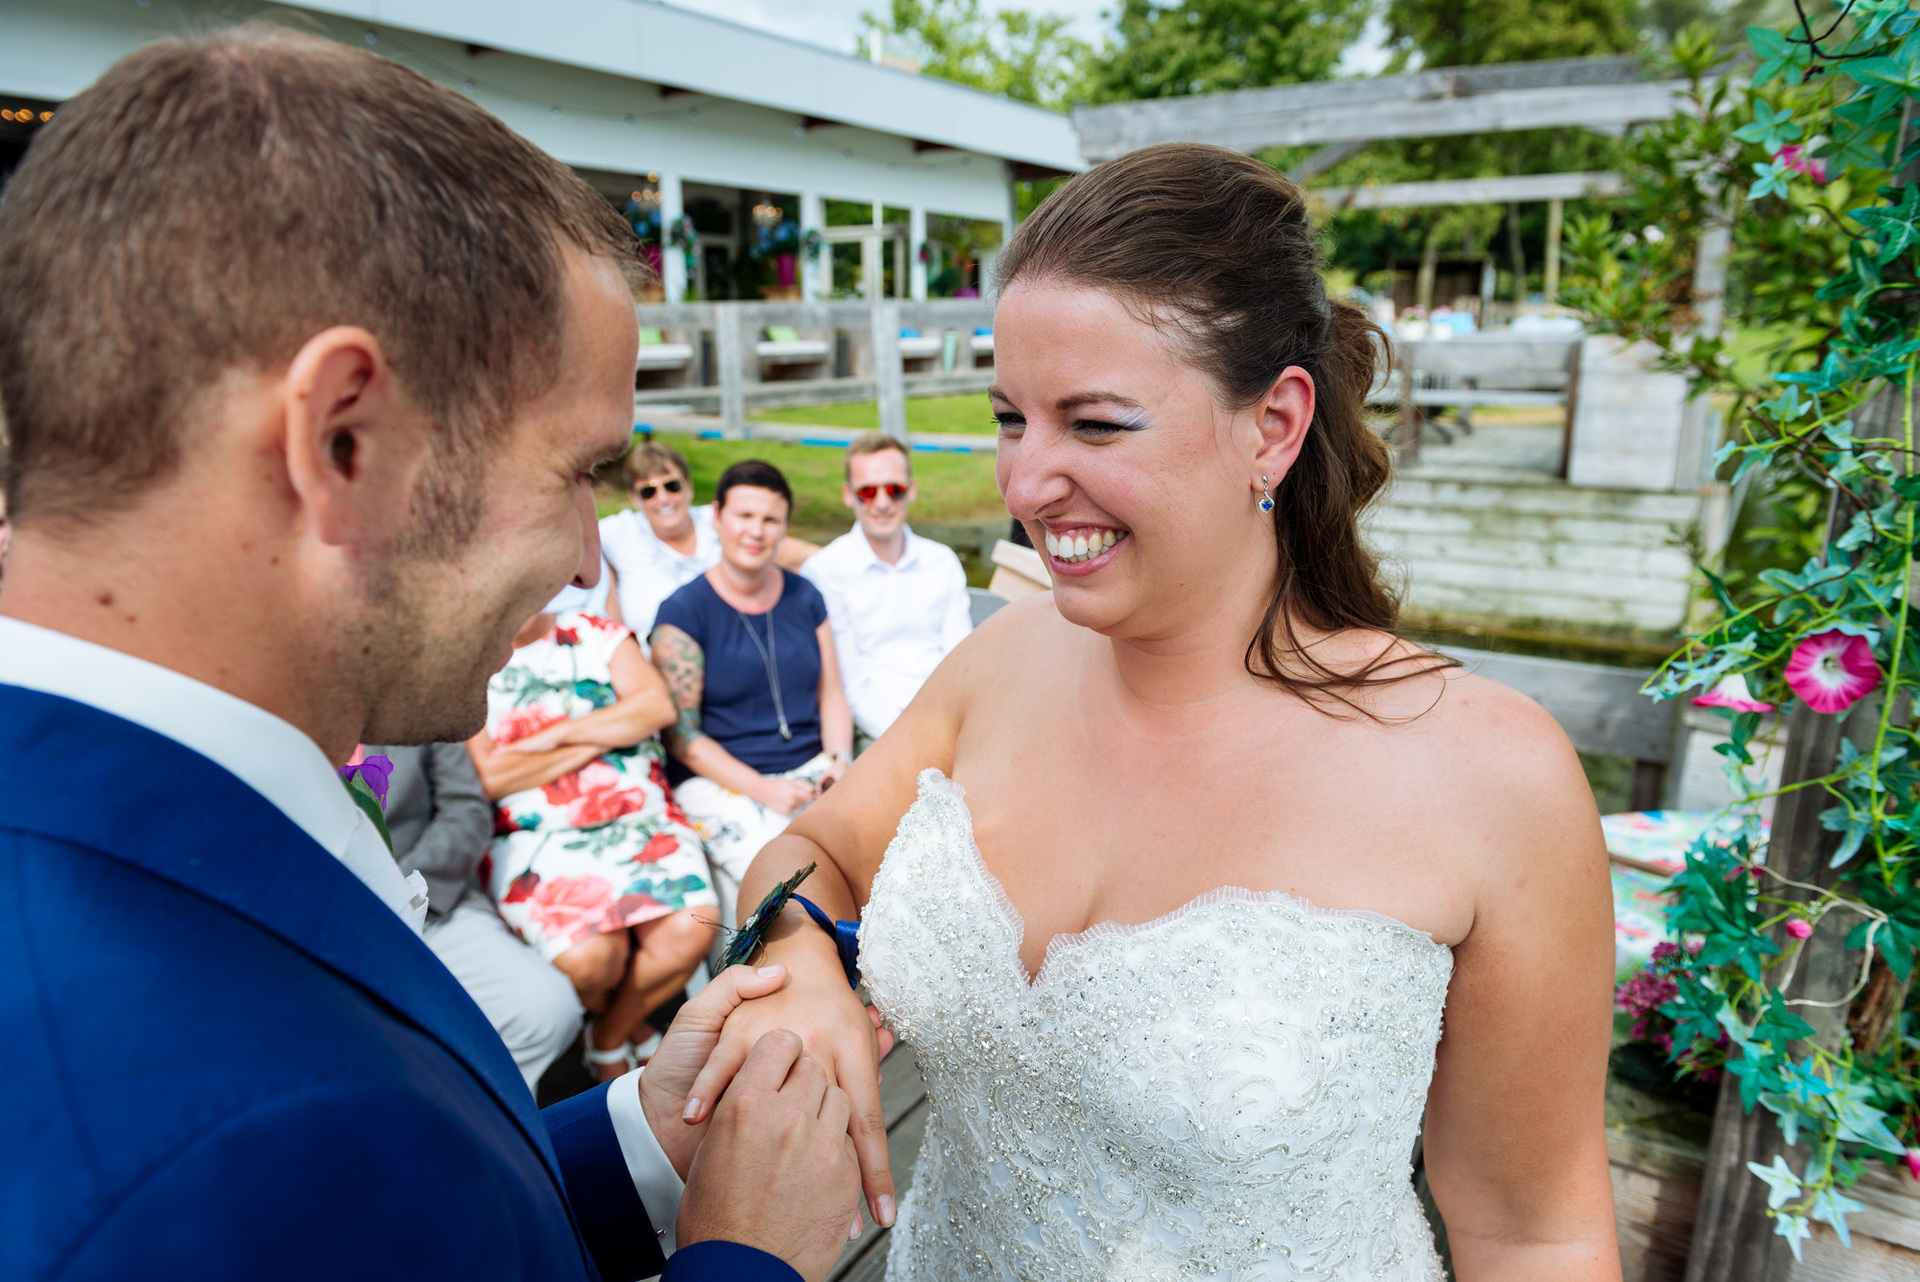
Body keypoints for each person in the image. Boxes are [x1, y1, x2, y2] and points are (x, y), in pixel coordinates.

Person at [0, 28, 863, 1282]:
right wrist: (749, 1256)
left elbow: (381, 1207)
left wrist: (644, 1142)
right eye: (579, 471)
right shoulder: (184, 1151)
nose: (586, 558)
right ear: (347, 440)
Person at [692, 144, 1622, 1277]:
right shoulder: (1001, 661)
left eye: (1094, 426)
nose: (1026, 484)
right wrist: (794, 954)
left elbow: (1536, 1231)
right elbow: (816, 847)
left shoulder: (1492, 776)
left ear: (1273, 426)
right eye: (1009, 418)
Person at [471, 602, 719, 1082]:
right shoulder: (471, 660)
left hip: (641, 820)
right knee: (589, 962)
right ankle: (634, 1026)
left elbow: (655, 708)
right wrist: (607, 733)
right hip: (536, 839)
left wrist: (548, 738)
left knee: (694, 925)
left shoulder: (595, 634)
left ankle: (608, 1034)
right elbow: (488, 776)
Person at [649, 460, 854, 932]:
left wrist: (838, 762)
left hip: (811, 770)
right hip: (724, 782)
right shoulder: (682, 613)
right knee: (790, 898)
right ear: (717, 517)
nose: (756, 531)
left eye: (770, 519)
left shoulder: (805, 596)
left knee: (868, 867)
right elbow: (683, 739)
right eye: (744, 516)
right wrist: (766, 791)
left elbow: (832, 695)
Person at [365, 741, 588, 1091]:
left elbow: (466, 812)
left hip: (430, 900)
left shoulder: (419, 697)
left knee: (545, 1010)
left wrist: (399, 883)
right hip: (322, 925)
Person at [800, 433, 972, 746]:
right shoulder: (825, 572)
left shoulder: (942, 561)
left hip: (948, 717)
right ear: (848, 495)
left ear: (912, 489)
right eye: (867, 491)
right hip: (872, 729)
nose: (882, 503)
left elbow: (960, 660)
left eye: (894, 490)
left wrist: (954, 726)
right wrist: (911, 740)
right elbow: (850, 686)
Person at [601, 441, 817, 638]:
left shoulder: (719, 522)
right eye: (649, 492)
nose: (663, 498)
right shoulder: (619, 533)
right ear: (633, 497)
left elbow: (801, 555)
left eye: (672, 486)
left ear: (689, 487)